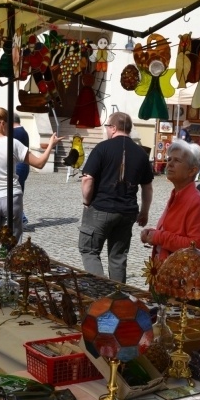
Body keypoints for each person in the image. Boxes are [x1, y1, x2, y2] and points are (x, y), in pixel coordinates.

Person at [0, 104, 61, 242]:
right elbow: (39, 163)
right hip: (12, 197)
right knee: (13, 243)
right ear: (2, 123)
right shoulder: (14, 144)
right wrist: (51, 145)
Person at [80, 111, 153, 283]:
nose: (106, 130)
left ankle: (100, 290)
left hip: (101, 208)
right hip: (127, 212)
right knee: (118, 257)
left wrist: (86, 201)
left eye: (107, 126)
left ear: (113, 128)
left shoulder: (102, 148)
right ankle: (118, 296)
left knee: (89, 250)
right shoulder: (141, 153)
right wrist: (144, 212)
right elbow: (147, 187)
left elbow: (87, 178)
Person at [140, 139, 200, 260]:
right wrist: (152, 233)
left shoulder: (196, 201)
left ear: (192, 170)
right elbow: (172, 231)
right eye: (169, 159)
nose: (170, 164)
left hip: (178, 270)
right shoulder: (176, 194)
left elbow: (197, 246)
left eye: (177, 160)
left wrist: (159, 237)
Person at [12, 114, 31, 226]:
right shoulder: (23, 131)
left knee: (14, 193)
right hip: (24, 165)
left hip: (18, 164)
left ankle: (21, 218)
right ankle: (20, 218)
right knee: (17, 192)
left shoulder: (15, 132)